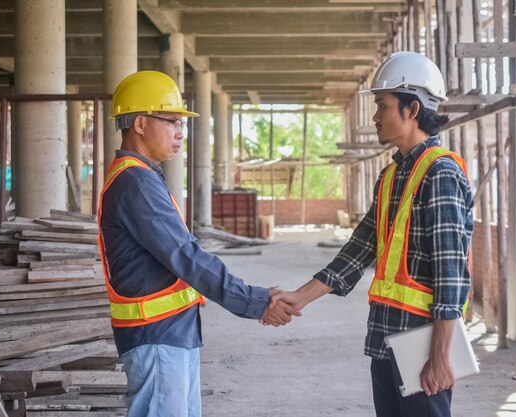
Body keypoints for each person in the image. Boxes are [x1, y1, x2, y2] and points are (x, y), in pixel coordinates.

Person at [272, 52, 474, 417]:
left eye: (383, 105)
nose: (375, 115)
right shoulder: (391, 176)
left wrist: (441, 356)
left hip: (424, 341)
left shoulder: (440, 173)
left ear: (412, 109)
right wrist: (299, 298)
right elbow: (357, 252)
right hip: (386, 336)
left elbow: (451, 272)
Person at [98, 70, 299, 417]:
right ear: (142, 123)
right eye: (172, 121)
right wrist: (254, 301)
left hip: (171, 333)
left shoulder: (143, 177)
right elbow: (185, 256)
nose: (180, 132)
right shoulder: (135, 184)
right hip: (157, 337)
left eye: (182, 123)